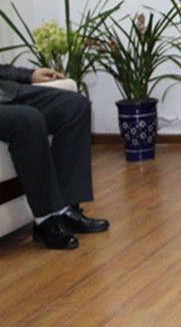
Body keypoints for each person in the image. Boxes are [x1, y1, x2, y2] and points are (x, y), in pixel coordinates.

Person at [0, 65, 108, 249]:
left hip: (4, 92)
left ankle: (66, 210)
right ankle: (45, 220)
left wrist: (30, 75)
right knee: (29, 120)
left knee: (75, 106)